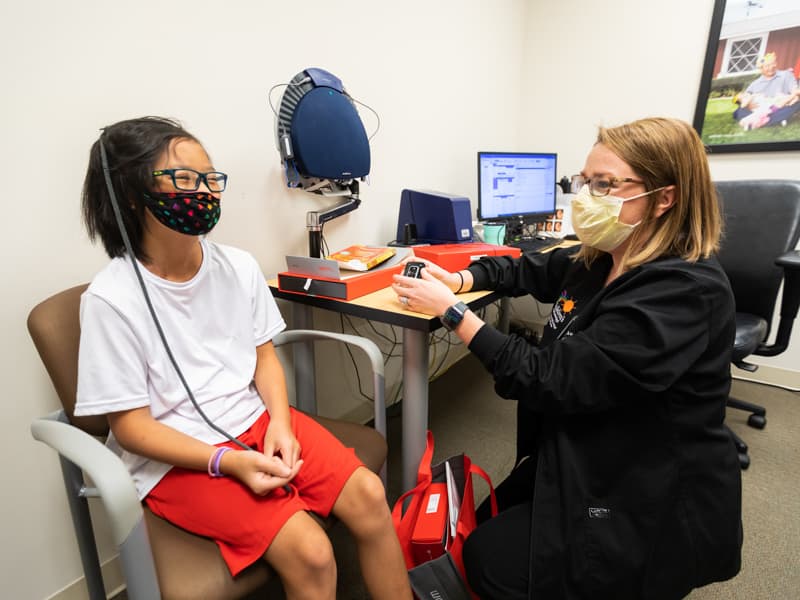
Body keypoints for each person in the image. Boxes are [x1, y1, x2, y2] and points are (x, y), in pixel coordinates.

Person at [392, 117, 742, 599]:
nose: (586, 198)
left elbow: (547, 378)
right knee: (490, 513)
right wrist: (460, 281)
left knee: (488, 561)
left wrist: (453, 314)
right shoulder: (606, 254)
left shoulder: (683, 290)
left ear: (665, 197)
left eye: (605, 185)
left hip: (645, 481)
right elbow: (532, 268)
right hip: (588, 441)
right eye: (585, 182)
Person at [75, 116, 411, 600]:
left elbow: (265, 358)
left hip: (253, 422)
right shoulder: (111, 299)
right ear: (132, 194)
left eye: (211, 179)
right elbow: (130, 429)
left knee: (370, 495)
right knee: (312, 553)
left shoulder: (238, 266)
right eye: (186, 180)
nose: (206, 193)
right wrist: (225, 462)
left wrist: (278, 422)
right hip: (175, 458)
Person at [732, 52, 800, 127]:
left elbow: (795, 90)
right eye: (767, 66)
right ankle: (772, 120)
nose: (771, 67)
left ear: (776, 64)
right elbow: (743, 97)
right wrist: (748, 105)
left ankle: (758, 120)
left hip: (782, 105)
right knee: (740, 110)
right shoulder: (755, 83)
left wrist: (795, 97)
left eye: (773, 64)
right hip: (761, 108)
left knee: (795, 104)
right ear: (761, 69)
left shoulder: (786, 75)